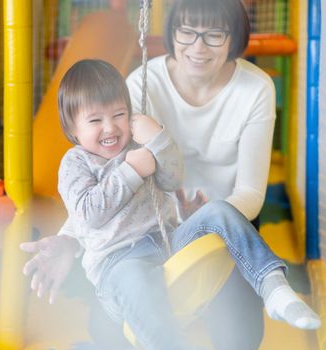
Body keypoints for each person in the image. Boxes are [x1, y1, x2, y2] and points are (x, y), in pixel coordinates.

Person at [21, 0, 321, 348]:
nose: (198, 46)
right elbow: (97, 186)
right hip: (133, 243)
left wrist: (165, 154)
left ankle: (275, 289)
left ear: (234, 37)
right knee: (119, 324)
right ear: (173, 31)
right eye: (188, 32)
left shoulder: (255, 88)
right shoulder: (139, 87)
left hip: (208, 224)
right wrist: (70, 240)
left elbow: (236, 191)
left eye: (213, 35)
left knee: (239, 334)